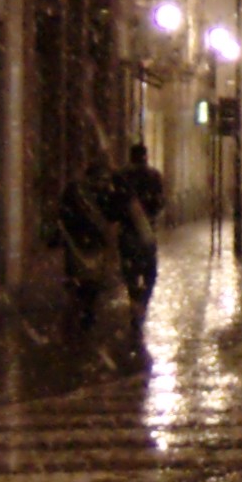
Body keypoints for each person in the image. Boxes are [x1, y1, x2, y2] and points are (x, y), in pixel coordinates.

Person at [51, 160, 121, 335]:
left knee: (87, 280)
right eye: (101, 179)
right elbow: (65, 214)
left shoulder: (91, 193)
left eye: (106, 180)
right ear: (92, 177)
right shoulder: (80, 192)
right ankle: (81, 315)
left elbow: (111, 215)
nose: (104, 183)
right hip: (79, 242)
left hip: (87, 243)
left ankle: (83, 314)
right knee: (84, 280)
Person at [116, 140, 166, 308]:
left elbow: (113, 205)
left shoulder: (121, 176)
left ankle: (134, 298)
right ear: (146, 157)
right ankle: (142, 302)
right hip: (146, 230)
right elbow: (160, 203)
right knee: (149, 271)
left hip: (127, 230)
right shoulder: (154, 176)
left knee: (129, 271)